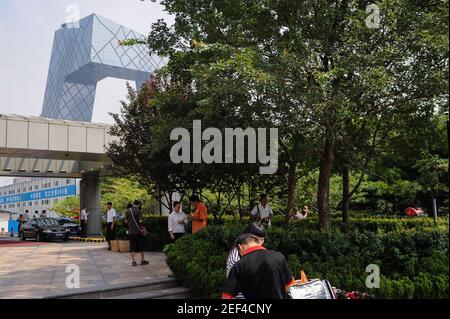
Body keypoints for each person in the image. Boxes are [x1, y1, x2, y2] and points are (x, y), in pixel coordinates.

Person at [222, 233, 294, 299]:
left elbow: (226, 296)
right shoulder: (278, 257)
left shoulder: (239, 266)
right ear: (258, 243)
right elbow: (288, 287)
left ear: (240, 247)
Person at [125, 200, 149, 266]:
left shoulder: (127, 211)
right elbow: (140, 221)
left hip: (131, 232)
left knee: (132, 247)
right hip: (138, 232)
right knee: (141, 246)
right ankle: (142, 260)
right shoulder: (138, 211)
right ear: (138, 204)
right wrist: (142, 228)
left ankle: (134, 262)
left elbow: (126, 222)